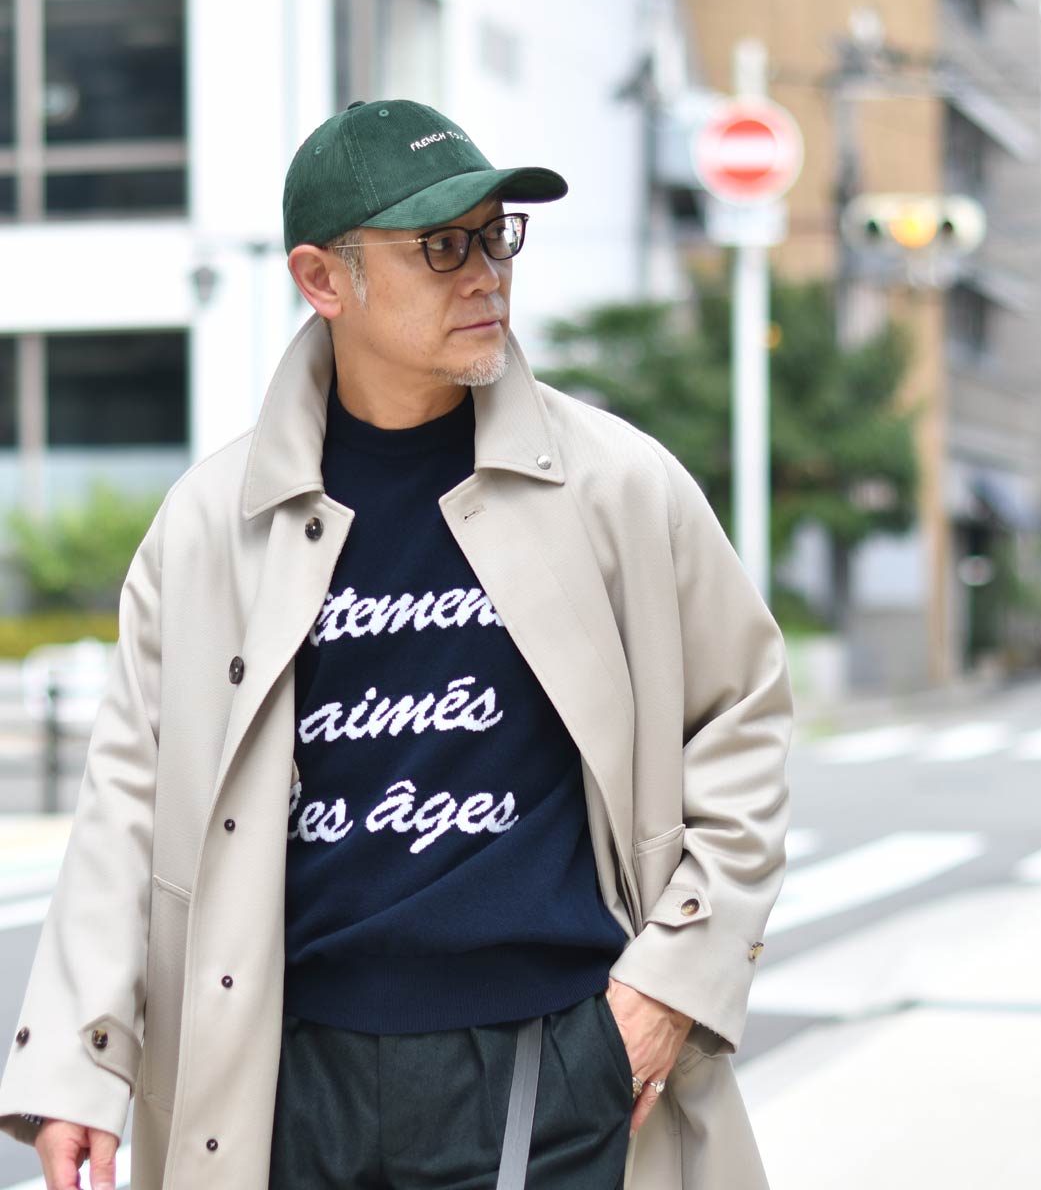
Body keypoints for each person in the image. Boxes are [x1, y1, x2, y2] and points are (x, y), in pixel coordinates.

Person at [0, 99, 793, 1190]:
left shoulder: (616, 486)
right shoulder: (212, 523)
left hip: (543, 1060)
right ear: (323, 280)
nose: (486, 276)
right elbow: (129, 799)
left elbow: (743, 725)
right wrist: (77, 1062)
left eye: (495, 237)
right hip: (280, 1073)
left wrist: (670, 987)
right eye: (440, 248)